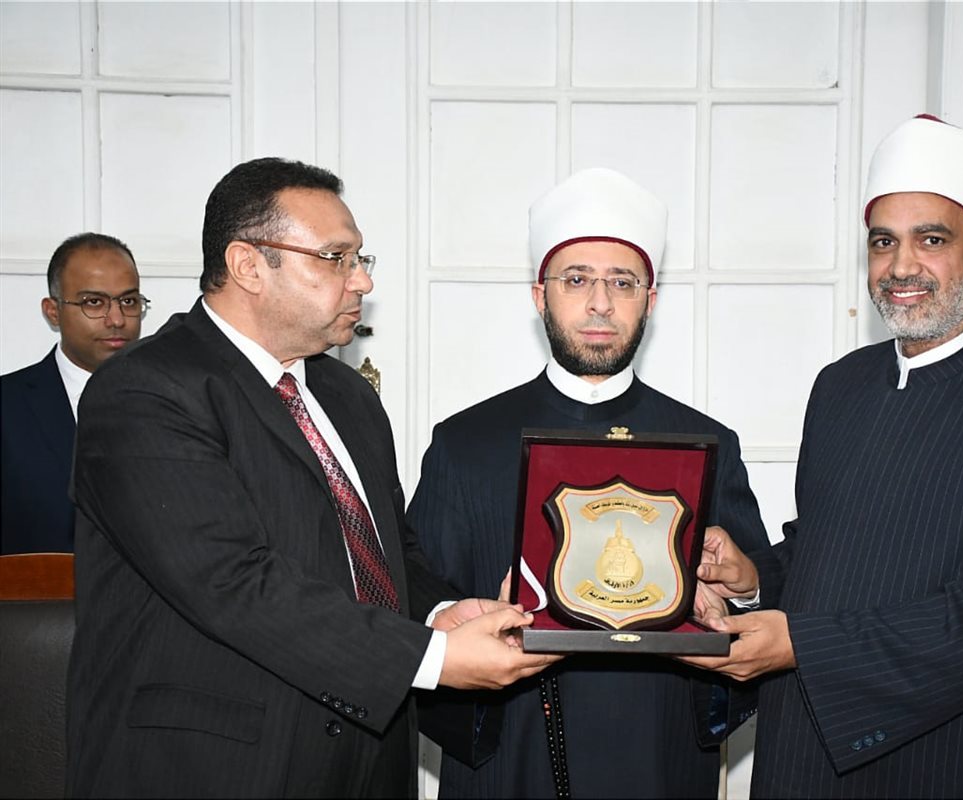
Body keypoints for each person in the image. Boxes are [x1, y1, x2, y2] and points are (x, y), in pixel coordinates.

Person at [66, 157, 556, 798]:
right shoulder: (144, 391)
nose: (362, 281)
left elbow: (384, 554)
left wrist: (441, 613)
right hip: (214, 768)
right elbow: (230, 581)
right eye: (335, 258)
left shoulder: (348, 395)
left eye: (360, 258)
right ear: (248, 265)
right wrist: (431, 659)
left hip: (368, 759)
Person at [685, 115, 963, 797]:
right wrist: (752, 580)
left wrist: (799, 644)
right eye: (883, 241)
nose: (901, 266)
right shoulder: (841, 386)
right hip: (813, 754)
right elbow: (825, 552)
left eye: (932, 240)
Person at [407, 167, 773, 798]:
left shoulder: (706, 443)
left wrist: (741, 592)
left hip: (657, 750)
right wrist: (459, 618)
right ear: (539, 295)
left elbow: (756, 597)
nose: (600, 303)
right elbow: (415, 583)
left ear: (650, 300)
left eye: (622, 283)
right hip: (512, 749)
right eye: (576, 279)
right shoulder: (464, 441)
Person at [1, 232, 145, 554]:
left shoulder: (180, 402)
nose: (117, 319)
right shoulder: (8, 408)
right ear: (53, 311)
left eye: (128, 301)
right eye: (94, 302)